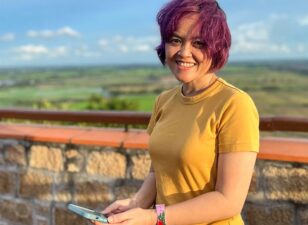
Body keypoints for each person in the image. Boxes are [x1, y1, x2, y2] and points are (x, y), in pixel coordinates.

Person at [94, 0, 259, 224]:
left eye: (199, 43)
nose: (184, 52)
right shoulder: (164, 101)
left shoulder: (235, 104)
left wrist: (154, 217)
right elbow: (159, 172)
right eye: (176, 40)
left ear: (217, 47)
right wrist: (135, 205)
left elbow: (228, 200)